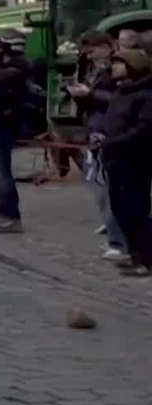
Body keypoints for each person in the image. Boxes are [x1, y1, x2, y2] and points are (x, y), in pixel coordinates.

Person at [0, 40, 46, 233]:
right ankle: (3, 214)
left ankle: (10, 216)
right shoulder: (19, 72)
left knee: (0, 172)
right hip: (3, 123)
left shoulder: (3, 74)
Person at [65, 30, 124, 257]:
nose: (90, 57)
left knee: (110, 186)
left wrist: (90, 94)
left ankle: (118, 239)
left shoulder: (119, 69)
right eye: (87, 53)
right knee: (97, 183)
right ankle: (111, 228)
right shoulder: (95, 69)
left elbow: (118, 101)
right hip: (95, 127)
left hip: (108, 131)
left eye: (92, 51)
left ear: (107, 46)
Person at [100, 49, 152, 276]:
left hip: (134, 159)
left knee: (136, 209)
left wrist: (113, 141)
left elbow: (142, 129)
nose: (114, 67)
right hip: (115, 159)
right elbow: (111, 121)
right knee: (120, 208)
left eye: (119, 63)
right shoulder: (121, 92)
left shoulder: (146, 94)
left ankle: (145, 259)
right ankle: (133, 253)